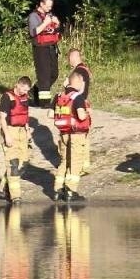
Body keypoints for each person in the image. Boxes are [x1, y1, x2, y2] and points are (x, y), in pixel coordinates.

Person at [50, 72, 91, 202]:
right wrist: (87, 112)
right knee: (76, 162)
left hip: (63, 134)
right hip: (76, 135)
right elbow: (81, 116)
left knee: (64, 162)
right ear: (77, 82)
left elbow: (50, 114)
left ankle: (57, 190)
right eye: (82, 82)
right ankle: (71, 191)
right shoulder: (77, 97)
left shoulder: (59, 96)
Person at [0, 76, 33, 202]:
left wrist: (28, 132)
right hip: (10, 130)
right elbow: (2, 118)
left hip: (22, 131)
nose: (25, 92)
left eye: (27, 90)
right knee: (13, 164)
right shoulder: (7, 97)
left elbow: (25, 115)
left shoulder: (25, 98)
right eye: (23, 89)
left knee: (24, 163)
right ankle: (15, 196)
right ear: (17, 85)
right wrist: (7, 135)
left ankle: (2, 187)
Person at [28, 0, 61, 106]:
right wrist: (45, 23)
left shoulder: (49, 15)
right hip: (40, 49)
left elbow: (53, 30)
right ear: (41, 4)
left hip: (52, 47)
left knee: (54, 74)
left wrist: (57, 24)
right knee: (44, 76)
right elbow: (34, 32)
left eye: (51, 6)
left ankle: (34, 91)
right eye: (48, 6)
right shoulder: (33, 16)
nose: (50, 9)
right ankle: (44, 102)